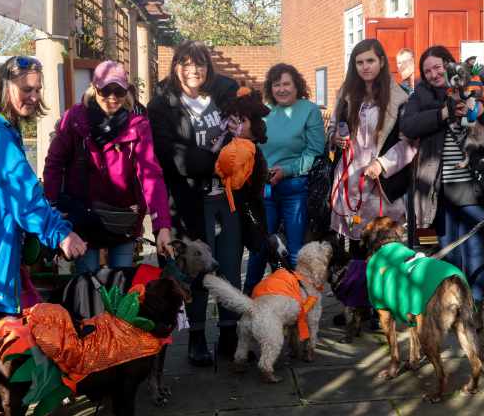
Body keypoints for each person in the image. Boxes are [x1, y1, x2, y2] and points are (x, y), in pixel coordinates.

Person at [0, 56, 86, 385]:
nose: (34, 96)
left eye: (38, 89)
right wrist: (61, 234)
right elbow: (24, 196)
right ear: (5, 84)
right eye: (26, 89)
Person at [401, 45, 484, 330]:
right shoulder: (420, 96)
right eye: (427, 70)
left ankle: (475, 305)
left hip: (474, 184)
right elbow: (409, 126)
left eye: (438, 67)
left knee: (474, 250)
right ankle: (451, 305)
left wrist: (481, 109)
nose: (434, 74)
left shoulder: (480, 82)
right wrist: (444, 113)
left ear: (450, 65)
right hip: (435, 189)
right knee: (444, 251)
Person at [147, 40, 241, 365]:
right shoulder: (162, 105)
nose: (193, 70)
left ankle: (230, 332)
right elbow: (168, 154)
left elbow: (245, 131)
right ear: (176, 67)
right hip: (189, 201)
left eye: (199, 63)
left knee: (229, 266)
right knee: (197, 269)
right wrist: (214, 161)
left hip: (226, 198)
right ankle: (197, 337)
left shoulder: (223, 98)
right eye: (186, 63)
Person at [43, 60, 173, 274]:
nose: (112, 97)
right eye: (105, 90)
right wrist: (52, 205)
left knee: (121, 283)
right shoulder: (74, 120)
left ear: (126, 92)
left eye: (119, 91)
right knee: (88, 282)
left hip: (123, 215)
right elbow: (54, 163)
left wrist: (162, 225)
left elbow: (151, 175)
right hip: (83, 213)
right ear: (95, 88)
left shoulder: (138, 126)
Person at [328, 39, 417, 322]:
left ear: (381, 62)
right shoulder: (345, 94)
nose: (365, 67)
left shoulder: (400, 97)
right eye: (359, 62)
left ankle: (386, 310)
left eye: (370, 61)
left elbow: (409, 143)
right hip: (350, 181)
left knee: (383, 248)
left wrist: (383, 163)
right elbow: (332, 130)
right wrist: (335, 138)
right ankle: (357, 305)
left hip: (382, 185)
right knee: (354, 248)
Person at [243, 64, 325, 293]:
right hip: (264, 189)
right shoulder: (264, 111)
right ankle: (250, 296)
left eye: (286, 83)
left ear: (296, 85)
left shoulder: (309, 110)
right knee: (259, 248)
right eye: (276, 84)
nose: (281, 89)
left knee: (296, 250)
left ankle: (298, 298)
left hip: (294, 188)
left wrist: (287, 171)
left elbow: (315, 152)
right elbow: (251, 145)